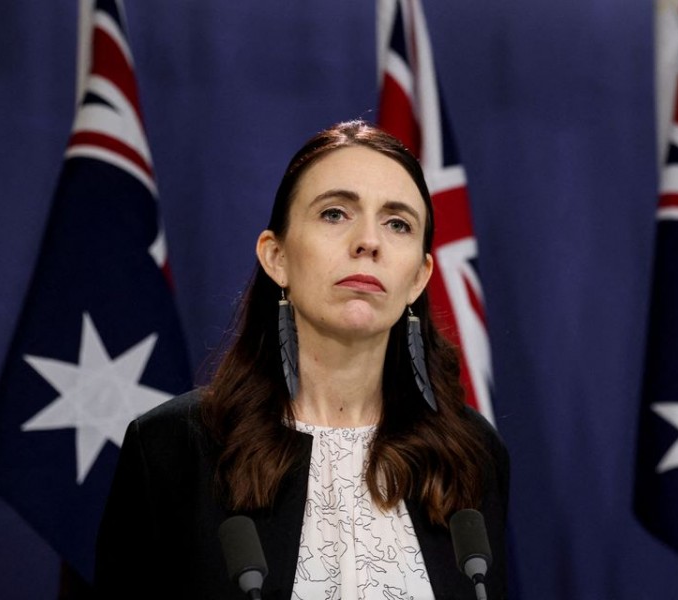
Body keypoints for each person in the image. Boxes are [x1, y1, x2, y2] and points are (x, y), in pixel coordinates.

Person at [94, 120, 509, 599]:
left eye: (398, 223)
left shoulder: (472, 452)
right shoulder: (173, 446)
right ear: (277, 257)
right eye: (335, 213)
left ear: (419, 276)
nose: (368, 242)